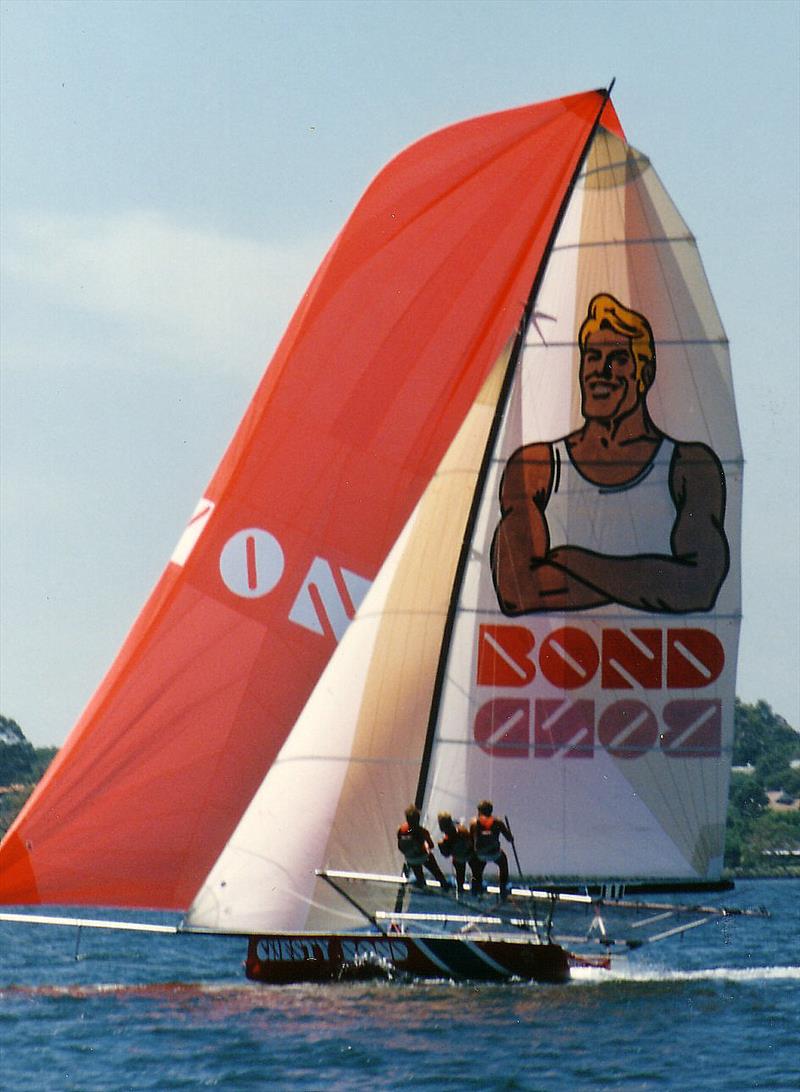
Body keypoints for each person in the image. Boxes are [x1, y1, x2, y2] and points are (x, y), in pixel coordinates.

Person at [491, 293, 730, 615]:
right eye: (591, 357)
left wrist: (573, 561)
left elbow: (699, 587)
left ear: (644, 376)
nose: (599, 371)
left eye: (617, 359)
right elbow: (516, 591)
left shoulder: (690, 466)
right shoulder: (537, 466)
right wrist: (651, 581)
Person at [397, 804, 450, 889]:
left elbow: (400, 844)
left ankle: (421, 884)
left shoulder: (400, 830)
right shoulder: (422, 831)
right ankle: (444, 884)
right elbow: (431, 846)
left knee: (417, 869)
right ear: (418, 819)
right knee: (434, 868)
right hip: (423, 857)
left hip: (410, 859)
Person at [469, 800, 514, 897]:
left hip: (480, 855)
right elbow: (509, 838)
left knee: (477, 867)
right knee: (503, 861)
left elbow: (471, 841)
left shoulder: (473, 823)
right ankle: (503, 889)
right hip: (495, 853)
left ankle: (476, 888)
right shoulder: (498, 822)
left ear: (479, 811)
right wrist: (511, 836)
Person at [436, 812, 479, 893]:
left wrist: (442, 847)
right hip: (469, 854)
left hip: (460, 858)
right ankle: (475, 889)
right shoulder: (462, 829)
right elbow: (471, 843)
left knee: (460, 873)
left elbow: (446, 854)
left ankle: (460, 889)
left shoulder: (444, 841)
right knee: (475, 871)